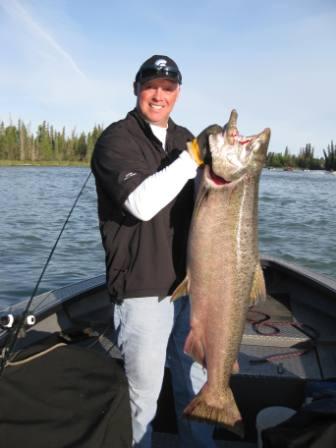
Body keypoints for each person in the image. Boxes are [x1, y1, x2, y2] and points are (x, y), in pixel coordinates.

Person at [91, 55, 216, 448]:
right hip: (142, 291)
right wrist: (193, 159)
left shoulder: (184, 137)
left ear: (178, 93)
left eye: (168, 88)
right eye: (151, 87)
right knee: (143, 399)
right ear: (136, 89)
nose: (159, 95)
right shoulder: (117, 140)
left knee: (196, 386)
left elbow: (209, 206)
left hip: (192, 289)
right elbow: (142, 205)